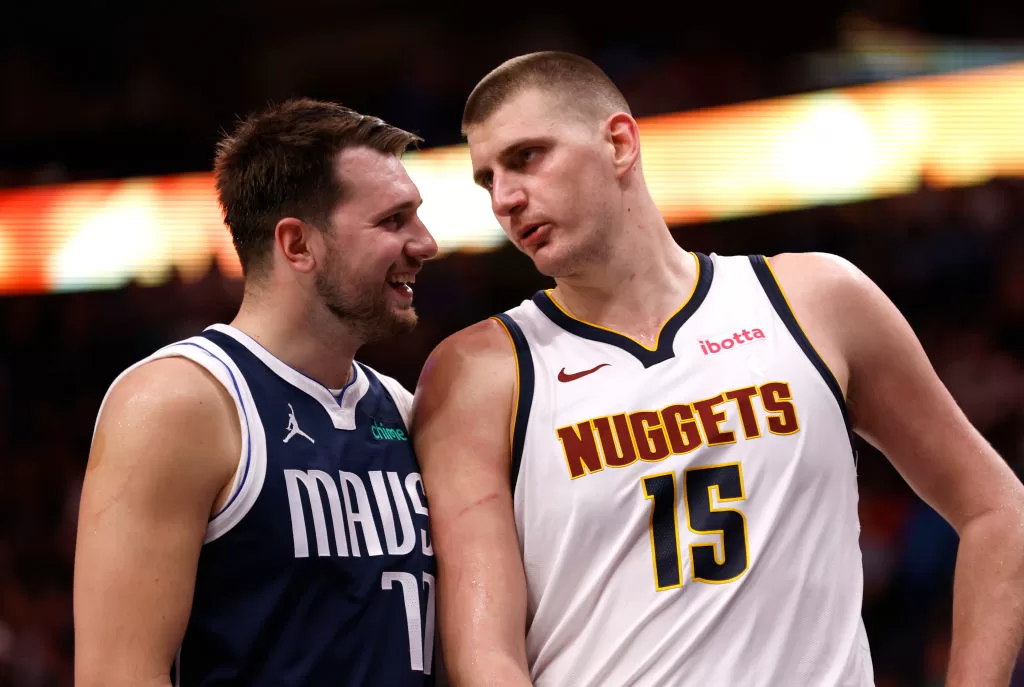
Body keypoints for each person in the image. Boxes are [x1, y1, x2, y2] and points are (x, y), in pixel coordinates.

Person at [411, 51, 1024, 686]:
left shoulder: (815, 301)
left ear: (619, 143)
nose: (506, 199)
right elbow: (486, 660)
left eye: (527, 158)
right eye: (487, 180)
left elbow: (997, 511)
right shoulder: (480, 370)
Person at [75, 98, 440, 686]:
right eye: (393, 221)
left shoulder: (401, 409)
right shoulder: (181, 403)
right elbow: (117, 674)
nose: (426, 244)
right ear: (297, 245)